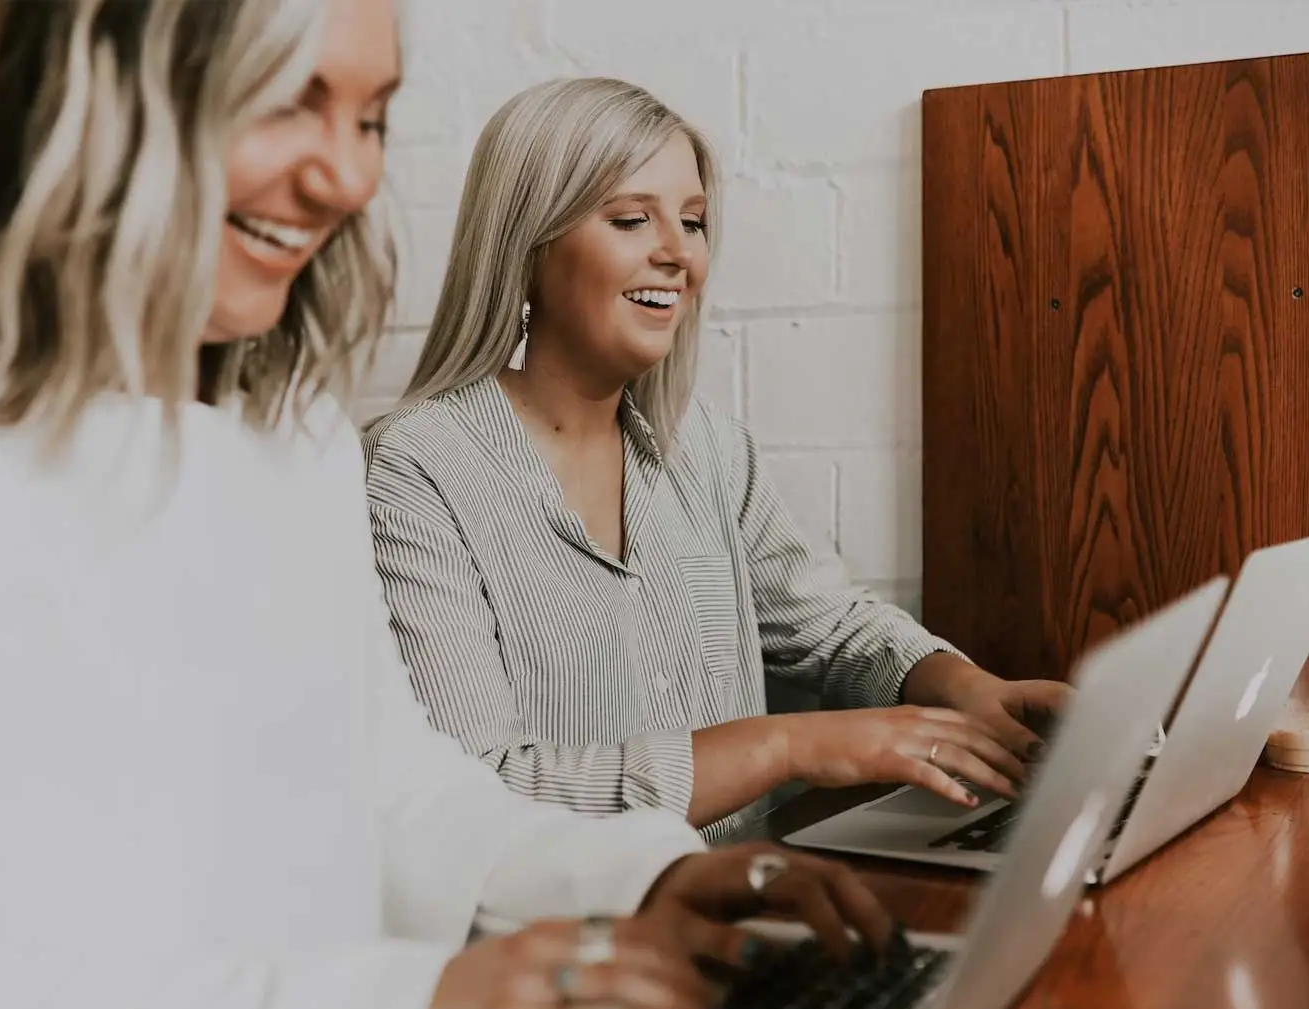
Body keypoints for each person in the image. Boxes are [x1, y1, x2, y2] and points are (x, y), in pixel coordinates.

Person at [0, 5, 896, 1009]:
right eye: (286, 101)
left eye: (371, 118)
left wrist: (647, 874)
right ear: (98, 82)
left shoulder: (293, 431)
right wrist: (412, 1002)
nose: (347, 177)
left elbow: (398, 788)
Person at [363, 77, 1071, 837]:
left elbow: (830, 627)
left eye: (693, 222)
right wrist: (786, 746)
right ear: (526, 246)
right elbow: (480, 794)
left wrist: (967, 688)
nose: (678, 253)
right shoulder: (414, 470)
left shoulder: (705, 448)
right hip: (576, 912)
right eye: (631, 219)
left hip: (749, 893)